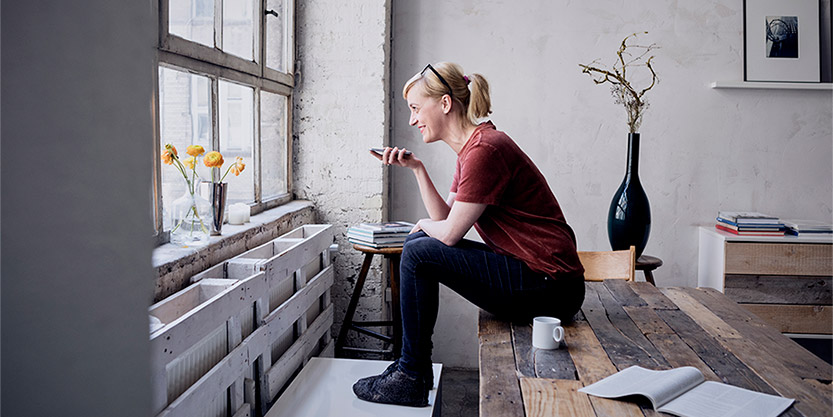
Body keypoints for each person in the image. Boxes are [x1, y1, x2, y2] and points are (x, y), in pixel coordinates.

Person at [352, 62, 585, 407]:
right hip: (541, 279)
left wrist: (421, 226)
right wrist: (417, 169)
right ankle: (411, 369)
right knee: (419, 244)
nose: (413, 120)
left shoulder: (485, 150)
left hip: (552, 287)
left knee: (418, 249)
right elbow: (446, 220)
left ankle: (411, 374)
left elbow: (446, 234)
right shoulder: (473, 149)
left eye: (416, 109)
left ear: (445, 103)